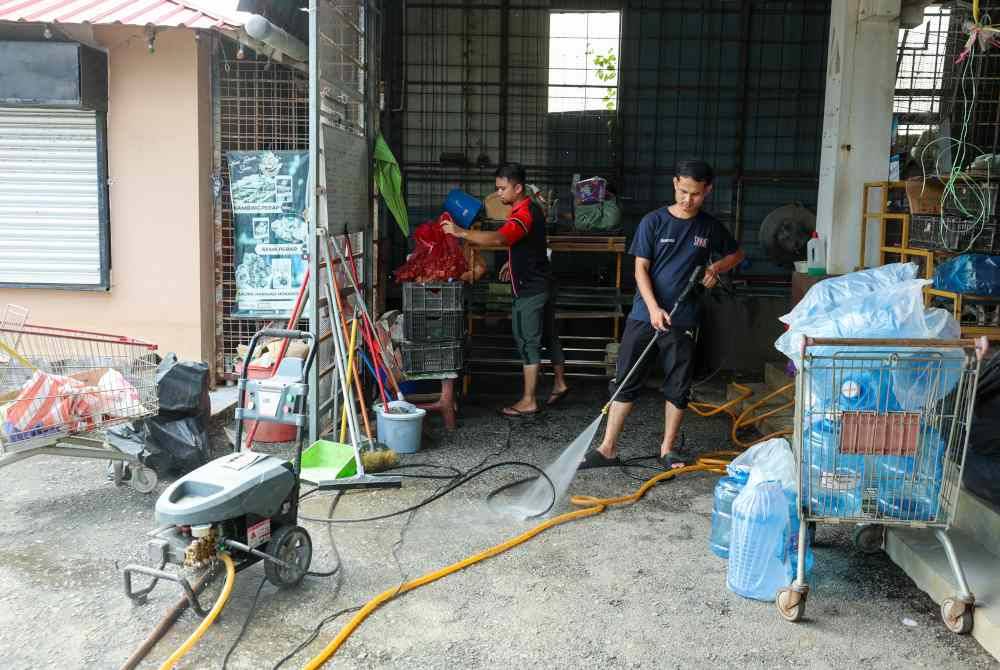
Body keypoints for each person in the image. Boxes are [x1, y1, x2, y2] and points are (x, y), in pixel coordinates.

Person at [581, 159, 744, 470]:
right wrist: (653, 307)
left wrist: (715, 268)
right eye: (683, 191)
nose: (687, 199)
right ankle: (607, 448)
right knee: (627, 378)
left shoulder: (709, 227)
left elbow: (737, 253)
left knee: (678, 384)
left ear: (707, 190)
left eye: (695, 194)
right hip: (645, 314)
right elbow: (640, 268)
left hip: (684, 318)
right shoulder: (653, 222)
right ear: (674, 184)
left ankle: (668, 449)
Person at [441, 163, 569, 416]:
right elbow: (529, 245)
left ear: (518, 187)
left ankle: (529, 400)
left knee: (527, 340)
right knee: (549, 334)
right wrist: (514, 264)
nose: (498, 194)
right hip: (542, 280)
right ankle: (560, 383)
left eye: (502, 188)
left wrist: (461, 232)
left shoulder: (523, 214)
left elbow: (501, 238)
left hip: (530, 289)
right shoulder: (529, 207)